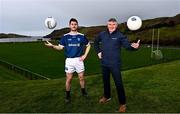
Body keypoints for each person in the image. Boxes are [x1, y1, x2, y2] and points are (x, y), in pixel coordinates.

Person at [94, 18, 140, 112]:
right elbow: (95, 42)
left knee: (119, 84)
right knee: (106, 82)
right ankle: (107, 96)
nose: (111, 26)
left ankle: (122, 104)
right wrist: (98, 52)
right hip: (104, 63)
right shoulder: (102, 34)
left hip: (115, 64)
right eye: (110, 24)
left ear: (116, 25)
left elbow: (127, 46)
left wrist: (134, 47)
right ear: (107, 25)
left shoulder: (120, 36)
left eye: (113, 24)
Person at [45, 18, 91, 103]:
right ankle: (68, 96)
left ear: (77, 25)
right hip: (69, 61)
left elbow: (88, 45)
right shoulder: (65, 37)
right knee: (69, 79)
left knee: (81, 78)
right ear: (69, 25)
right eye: (72, 24)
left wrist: (85, 55)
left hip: (79, 60)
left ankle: (84, 92)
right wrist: (53, 46)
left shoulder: (82, 36)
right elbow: (60, 47)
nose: (74, 25)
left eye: (75, 24)